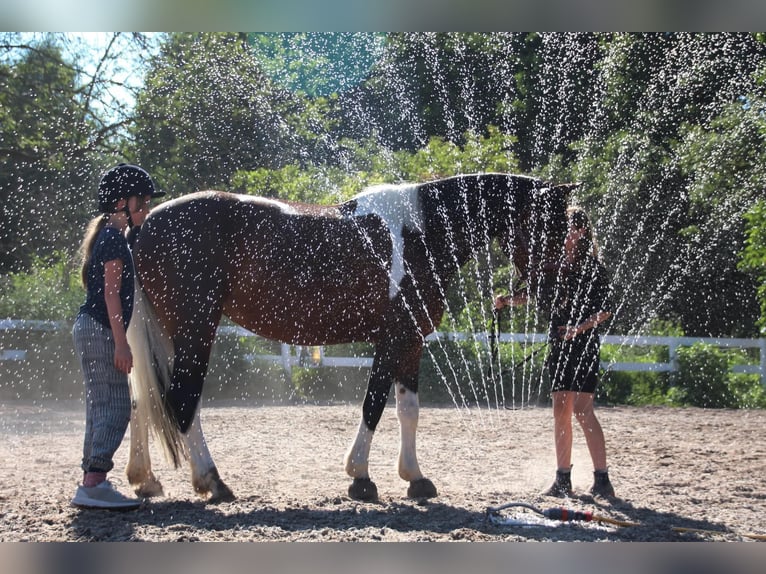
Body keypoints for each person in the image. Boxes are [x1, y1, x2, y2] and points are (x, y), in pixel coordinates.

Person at [495, 206, 615, 499]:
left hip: (583, 342)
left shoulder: (593, 268)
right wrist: (507, 301)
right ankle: (563, 479)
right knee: (561, 409)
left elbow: (605, 311)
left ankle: (602, 480)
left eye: (570, 227)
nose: (564, 233)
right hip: (560, 342)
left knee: (583, 411)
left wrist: (578, 329)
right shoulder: (552, 266)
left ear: (582, 231)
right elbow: (534, 294)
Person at [71, 163, 164, 510]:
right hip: (100, 330)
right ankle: (95, 482)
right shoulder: (113, 240)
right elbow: (112, 295)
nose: (148, 208)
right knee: (118, 406)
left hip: (89, 327)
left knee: (99, 407)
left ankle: (91, 481)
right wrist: (122, 343)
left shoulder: (108, 237)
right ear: (123, 202)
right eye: (144, 201)